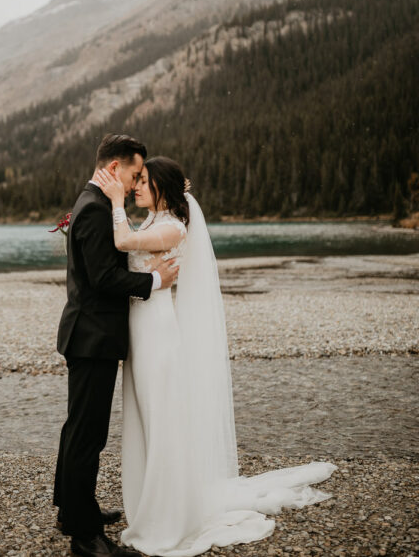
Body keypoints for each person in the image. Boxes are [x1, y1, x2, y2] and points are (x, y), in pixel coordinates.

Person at [94, 155, 338, 557]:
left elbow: (122, 242)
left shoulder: (172, 226)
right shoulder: (154, 221)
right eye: (134, 181)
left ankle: (167, 518)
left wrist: (116, 200)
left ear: (162, 189)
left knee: (160, 420)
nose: (136, 185)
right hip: (140, 331)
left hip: (157, 332)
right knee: (143, 419)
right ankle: (148, 506)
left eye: (143, 182)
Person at [54, 133, 179, 557]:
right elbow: (103, 278)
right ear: (114, 168)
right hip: (92, 338)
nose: (134, 181)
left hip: (91, 336)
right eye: (133, 173)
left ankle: (74, 509)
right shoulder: (93, 209)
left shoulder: (92, 204)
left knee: (80, 430)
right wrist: (155, 280)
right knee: (87, 435)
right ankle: (85, 537)